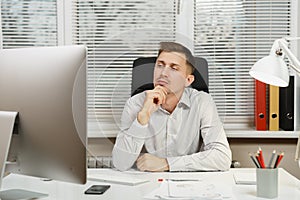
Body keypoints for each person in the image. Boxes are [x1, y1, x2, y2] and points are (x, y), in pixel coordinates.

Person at [112, 42, 232, 172]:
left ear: (188, 80)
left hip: (190, 183)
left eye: (174, 68)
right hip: (147, 182)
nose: (163, 73)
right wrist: (143, 117)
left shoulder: (202, 101)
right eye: (160, 65)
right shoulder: (135, 104)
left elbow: (222, 157)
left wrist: (166, 164)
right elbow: (120, 163)